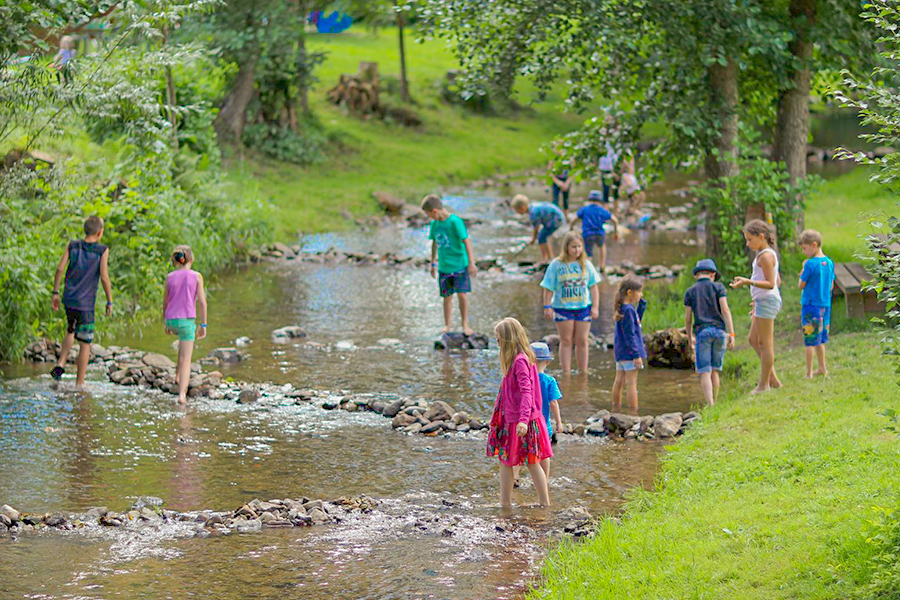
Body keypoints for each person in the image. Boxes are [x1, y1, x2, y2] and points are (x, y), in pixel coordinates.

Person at [487, 317, 552, 508]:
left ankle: (544, 503)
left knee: (532, 461)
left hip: (524, 420)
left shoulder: (520, 360)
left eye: (499, 340)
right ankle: (505, 502)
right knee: (506, 460)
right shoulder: (515, 360)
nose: (497, 344)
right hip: (511, 419)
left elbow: (527, 392)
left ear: (508, 340)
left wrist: (523, 420)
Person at [50, 215, 113, 389]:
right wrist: (109, 301)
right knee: (85, 343)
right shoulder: (102, 250)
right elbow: (104, 277)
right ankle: (80, 383)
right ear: (100, 232)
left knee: (71, 329)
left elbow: (60, 268)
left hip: (69, 298)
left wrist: (55, 293)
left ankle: (61, 363)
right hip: (86, 304)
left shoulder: (73, 245)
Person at [730, 219, 783, 394]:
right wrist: (757, 297)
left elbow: (771, 284)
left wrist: (748, 282)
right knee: (753, 340)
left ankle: (763, 385)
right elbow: (777, 279)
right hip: (763, 301)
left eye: (750, 239)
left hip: (767, 301)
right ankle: (773, 379)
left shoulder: (766, 256)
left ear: (761, 236)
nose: (747, 243)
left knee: (765, 343)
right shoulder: (765, 254)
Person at [540, 231, 601, 373]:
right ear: (566, 247)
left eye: (580, 246)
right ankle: (566, 373)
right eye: (574, 247)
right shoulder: (556, 264)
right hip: (563, 308)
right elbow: (548, 287)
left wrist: (596, 307)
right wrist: (547, 306)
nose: (577, 250)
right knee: (566, 341)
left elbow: (593, 287)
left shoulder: (586, 264)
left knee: (582, 341)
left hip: (583, 307)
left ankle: (583, 372)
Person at [422, 194, 478, 335]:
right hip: (444, 267)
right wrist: (433, 262)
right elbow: (434, 242)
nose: (429, 218)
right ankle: (447, 325)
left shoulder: (455, 221)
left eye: (428, 215)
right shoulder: (435, 224)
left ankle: (465, 324)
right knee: (446, 297)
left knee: (462, 295)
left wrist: (471, 263)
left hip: (459, 264)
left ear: (434, 211)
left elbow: (466, 241)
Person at [684, 259, 736, 406]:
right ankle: (716, 400)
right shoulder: (719, 288)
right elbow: (725, 310)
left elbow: (688, 319)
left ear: (696, 275)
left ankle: (711, 404)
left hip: (702, 333)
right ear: (713, 274)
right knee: (714, 370)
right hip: (720, 332)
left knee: (705, 372)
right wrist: (731, 334)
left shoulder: (690, 292)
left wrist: (689, 337)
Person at [513, 341, 563, 487]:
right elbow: (553, 403)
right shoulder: (549, 381)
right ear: (547, 362)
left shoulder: (525, 379)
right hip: (543, 424)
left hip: (524, 422)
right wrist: (559, 422)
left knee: (521, 450)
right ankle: (545, 479)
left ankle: (515, 476)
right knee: (544, 453)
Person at [163, 245, 208, 404]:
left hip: (171, 320)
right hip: (187, 321)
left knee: (181, 350)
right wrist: (203, 325)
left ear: (175, 260)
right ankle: (182, 395)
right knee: (187, 357)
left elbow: (165, 302)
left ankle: (177, 376)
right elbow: (202, 302)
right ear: (191, 259)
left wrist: (165, 323)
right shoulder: (196, 276)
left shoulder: (169, 277)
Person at [798, 229, 835, 378]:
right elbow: (831, 286)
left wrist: (802, 270)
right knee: (820, 339)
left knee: (809, 340)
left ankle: (808, 373)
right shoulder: (829, 262)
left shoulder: (810, 264)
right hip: (825, 305)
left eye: (804, 248)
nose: (803, 252)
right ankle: (822, 368)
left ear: (814, 245)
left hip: (810, 306)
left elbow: (801, 285)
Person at [612, 275, 646, 409]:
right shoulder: (629, 310)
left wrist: (641, 305)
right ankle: (634, 412)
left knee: (619, 380)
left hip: (621, 353)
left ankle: (616, 407)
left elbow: (636, 322)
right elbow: (630, 335)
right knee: (632, 384)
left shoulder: (623, 309)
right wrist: (636, 355)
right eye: (640, 291)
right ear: (630, 293)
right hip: (630, 353)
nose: (641, 294)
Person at [570, 189, 618, 271]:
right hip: (599, 233)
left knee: (588, 253)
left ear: (589, 200)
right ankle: (602, 265)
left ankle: (587, 269)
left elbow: (573, 220)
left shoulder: (585, 209)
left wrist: (571, 229)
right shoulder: (602, 210)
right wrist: (615, 232)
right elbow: (615, 220)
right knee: (602, 246)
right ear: (600, 201)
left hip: (587, 234)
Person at [511, 194, 565, 263]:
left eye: (517, 210)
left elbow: (536, 228)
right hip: (555, 217)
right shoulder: (533, 206)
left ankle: (545, 259)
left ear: (522, 207)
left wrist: (533, 239)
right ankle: (550, 257)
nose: (517, 212)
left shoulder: (533, 213)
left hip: (556, 219)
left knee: (541, 237)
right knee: (543, 236)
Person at [619, 152, 646, 216]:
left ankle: (641, 216)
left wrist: (621, 188)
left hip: (635, 193)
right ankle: (639, 217)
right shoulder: (629, 174)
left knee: (632, 208)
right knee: (631, 208)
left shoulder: (627, 175)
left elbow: (629, 183)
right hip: (636, 193)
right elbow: (629, 183)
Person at [547, 153, 572, 220]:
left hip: (566, 180)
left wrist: (567, 183)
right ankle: (555, 218)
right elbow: (549, 172)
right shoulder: (553, 159)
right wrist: (558, 182)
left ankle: (566, 218)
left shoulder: (569, 158)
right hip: (556, 180)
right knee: (555, 201)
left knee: (566, 201)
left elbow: (572, 172)